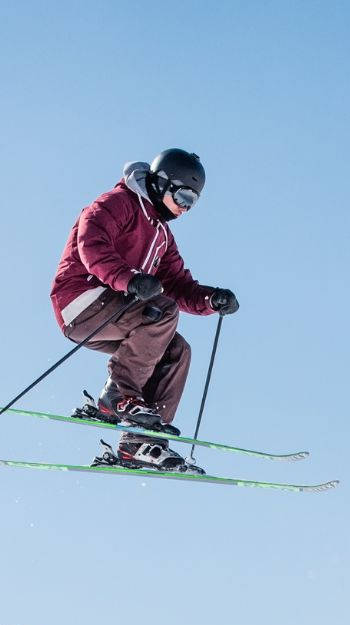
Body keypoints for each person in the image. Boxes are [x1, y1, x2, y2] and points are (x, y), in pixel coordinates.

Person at [49, 148, 239, 474]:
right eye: (182, 196)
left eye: (192, 201)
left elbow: (178, 285)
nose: (184, 207)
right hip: (81, 301)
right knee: (161, 310)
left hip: (116, 311)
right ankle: (119, 396)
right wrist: (129, 280)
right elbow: (91, 244)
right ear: (162, 183)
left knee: (176, 351)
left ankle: (140, 443)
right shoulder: (118, 203)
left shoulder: (162, 235)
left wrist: (211, 300)